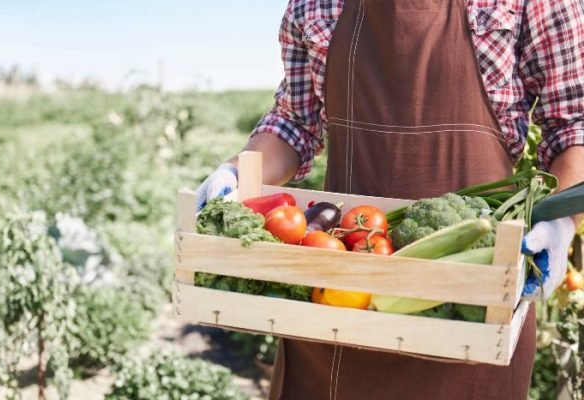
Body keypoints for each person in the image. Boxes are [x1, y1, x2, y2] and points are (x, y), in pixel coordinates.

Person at [196, 0, 584, 398]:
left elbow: (573, 125)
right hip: (341, 296)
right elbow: (294, 122)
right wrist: (237, 172)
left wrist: (560, 220)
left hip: (472, 302)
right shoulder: (315, 5)